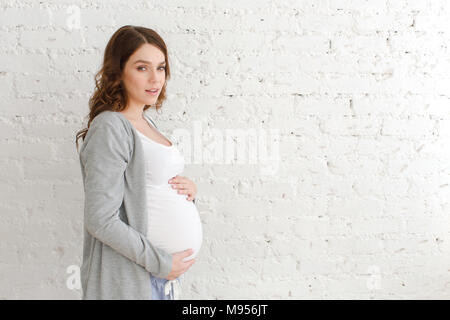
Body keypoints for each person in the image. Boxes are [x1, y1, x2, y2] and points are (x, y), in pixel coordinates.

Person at [75, 25, 203, 300]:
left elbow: (145, 192)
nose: (155, 79)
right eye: (142, 68)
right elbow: (100, 219)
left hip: (158, 282)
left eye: (161, 67)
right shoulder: (110, 126)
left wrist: (187, 194)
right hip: (134, 282)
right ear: (118, 72)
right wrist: (162, 262)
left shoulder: (146, 123)